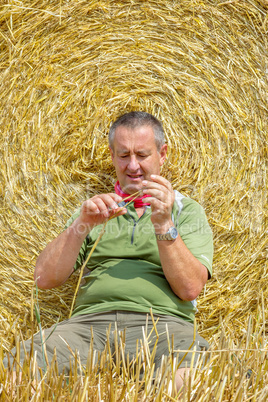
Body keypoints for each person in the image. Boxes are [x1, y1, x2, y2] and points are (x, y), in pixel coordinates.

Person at [4, 111, 213, 391]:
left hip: (163, 327)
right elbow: (44, 279)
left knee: (193, 380)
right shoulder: (96, 210)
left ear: (162, 154)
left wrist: (163, 223)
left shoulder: (186, 211)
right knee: (14, 376)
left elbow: (189, 289)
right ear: (112, 156)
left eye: (142, 154)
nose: (133, 165)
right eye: (124, 155)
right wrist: (83, 223)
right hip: (89, 326)